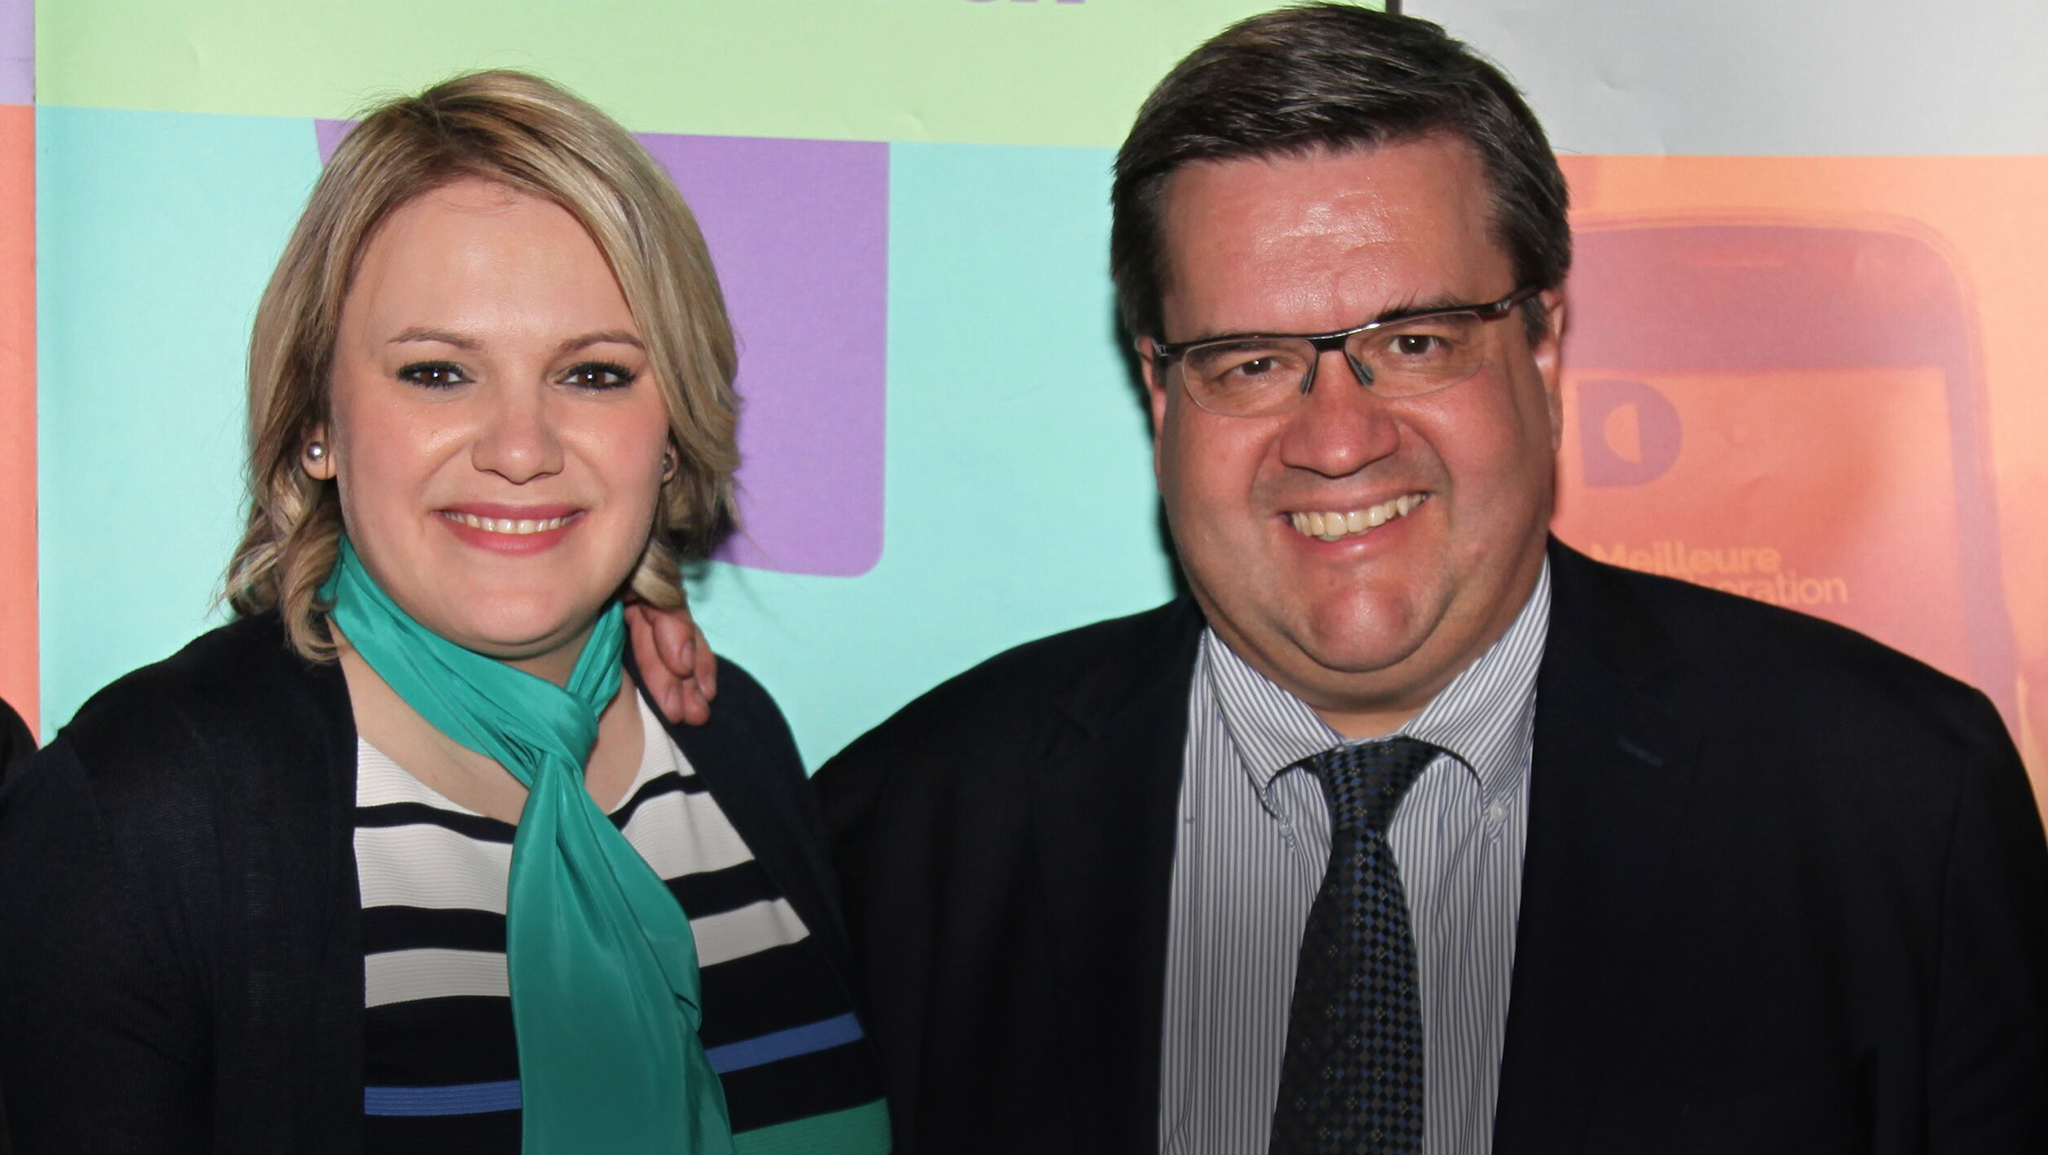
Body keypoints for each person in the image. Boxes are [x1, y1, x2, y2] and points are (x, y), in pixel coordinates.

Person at [804, 5, 2048, 1153]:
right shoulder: (900, 837)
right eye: (1249, 363)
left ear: (1543, 350)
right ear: (1160, 392)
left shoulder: (1892, 806)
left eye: (1413, 342)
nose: (1337, 438)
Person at [0, 71, 889, 1153]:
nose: (519, 447)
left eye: (593, 375)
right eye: (435, 372)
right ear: (315, 423)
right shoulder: (146, 811)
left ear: (670, 436)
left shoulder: (728, 735)